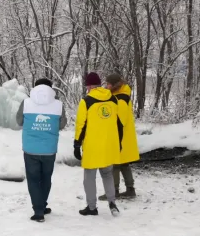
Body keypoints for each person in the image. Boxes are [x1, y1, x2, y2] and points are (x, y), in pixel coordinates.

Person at [16, 78, 67, 222]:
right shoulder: (58, 105)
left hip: (30, 149)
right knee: (46, 178)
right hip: (49, 150)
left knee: (33, 180)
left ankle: (38, 211)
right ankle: (42, 205)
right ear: (51, 89)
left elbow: (18, 121)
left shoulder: (26, 103)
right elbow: (62, 124)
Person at [74, 72, 121, 217]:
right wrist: (118, 142)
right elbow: (118, 123)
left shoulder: (86, 101)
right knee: (107, 174)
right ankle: (112, 203)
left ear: (89, 86)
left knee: (89, 177)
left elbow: (80, 125)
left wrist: (76, 144)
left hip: (92, 146)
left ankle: (92, 207)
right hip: (108, 145)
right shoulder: (113, 99)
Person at [99, 74, 140, 200]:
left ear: (115, 85)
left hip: (120, 135)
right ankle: (130, 189)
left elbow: (119, 119)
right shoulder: (122, 95)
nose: (106, 86)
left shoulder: (121, 98)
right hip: (124, 136)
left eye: (108, 84)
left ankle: (114, 191)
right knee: (123, 163)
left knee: (115, 163)